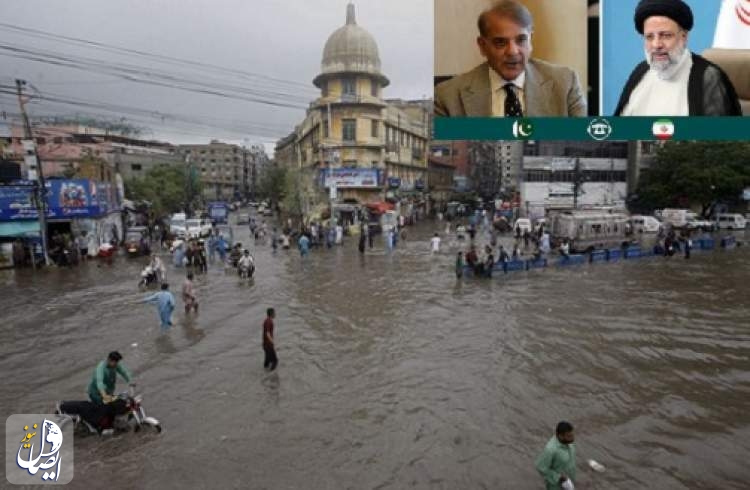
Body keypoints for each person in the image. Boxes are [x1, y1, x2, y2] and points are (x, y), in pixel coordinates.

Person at [434, 0, 586, 117]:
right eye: (500, 42)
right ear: (482, 46)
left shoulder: (565, 83)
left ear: (530, 39)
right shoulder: (447, 97)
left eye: (521, 40)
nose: (513, 51)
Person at [614, 0, 741, 116]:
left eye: (666, 35)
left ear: (684, 37)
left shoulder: (708, 77)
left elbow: (719, 136)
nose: (656, 45)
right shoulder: (640, 71)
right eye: (649, 37)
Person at [87, 351, 132, 431]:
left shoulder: (115, 365)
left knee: (114, 405)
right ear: (109, 360)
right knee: (106, 408)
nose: (116, 364)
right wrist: (104, 395)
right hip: (96, 393)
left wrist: (130, 381)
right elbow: (99, 382)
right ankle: (101, 428)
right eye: (114, 362)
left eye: (117, 362)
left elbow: (123, 372)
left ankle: (111, 422)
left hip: (108, 392)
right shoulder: (101, 368)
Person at [535, 421, 576, 490]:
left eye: (572, 435)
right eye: (569, 436)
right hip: (556, 486)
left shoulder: (569, 443)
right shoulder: (550, 450)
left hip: (568, 484)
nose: (572, 438)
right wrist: (559, 477)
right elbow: (540, 467)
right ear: (560, 436)